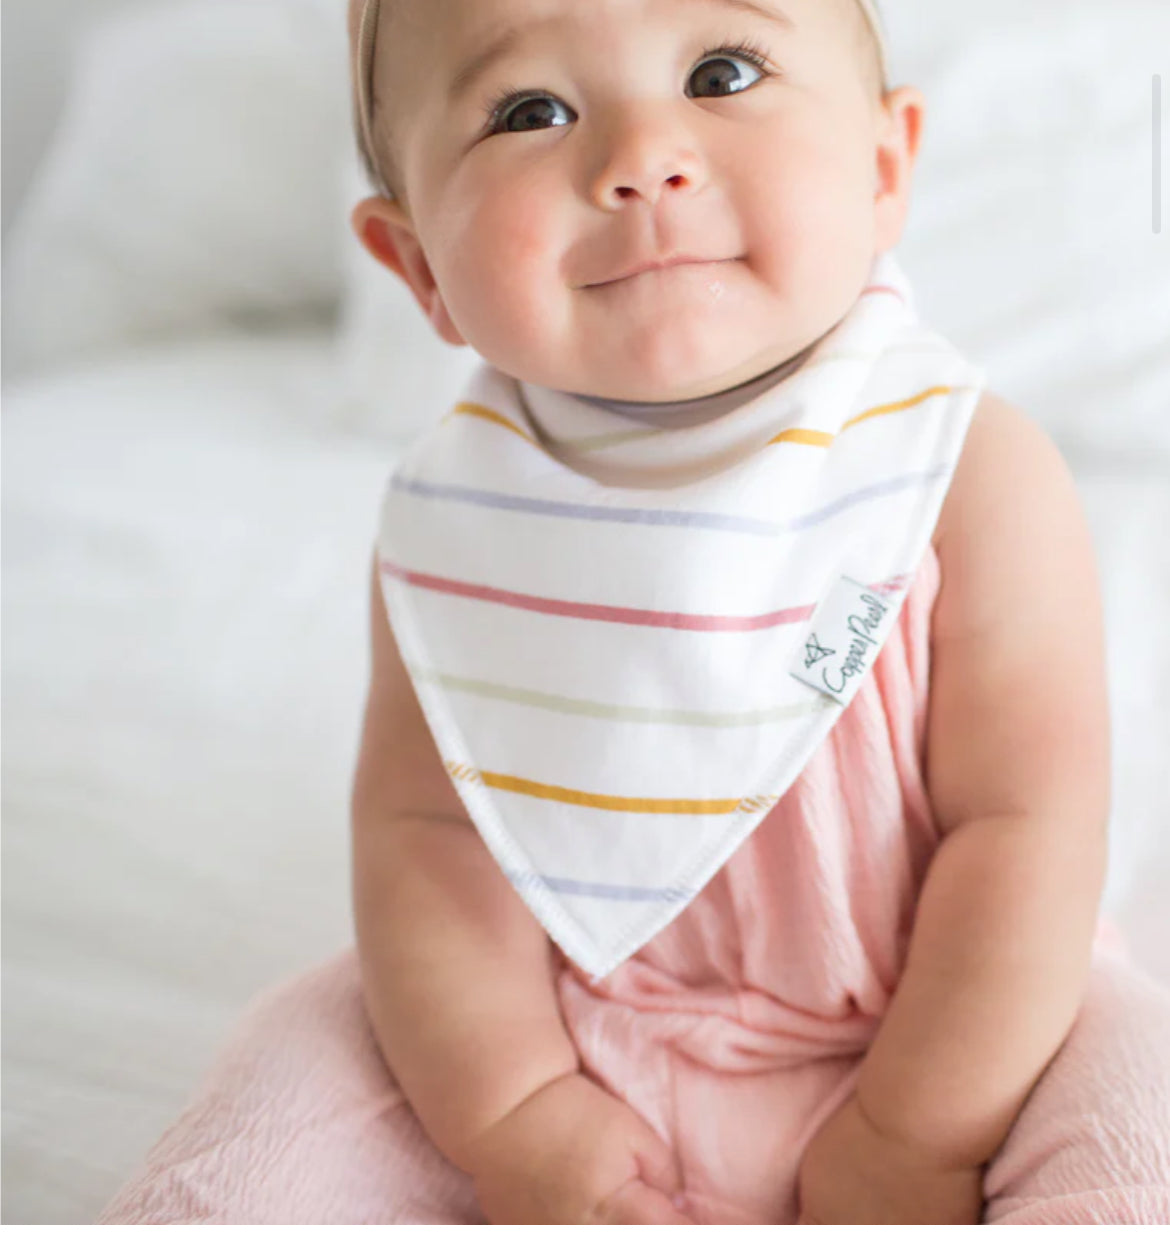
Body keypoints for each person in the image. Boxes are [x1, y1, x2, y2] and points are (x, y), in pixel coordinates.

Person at [100, 0, 1170, 1223]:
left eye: (722, 71)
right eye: (530, 111)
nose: (639, 159)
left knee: (1142, 1109)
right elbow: (428, 841)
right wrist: (515, 1111)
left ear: (882, 169)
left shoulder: (962, 472)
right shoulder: (459, 522)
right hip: (566, 1032)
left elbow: (1025, 830)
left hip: (958, 1026)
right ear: (419, 269)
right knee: (290, 1071)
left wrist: (917, 1129)